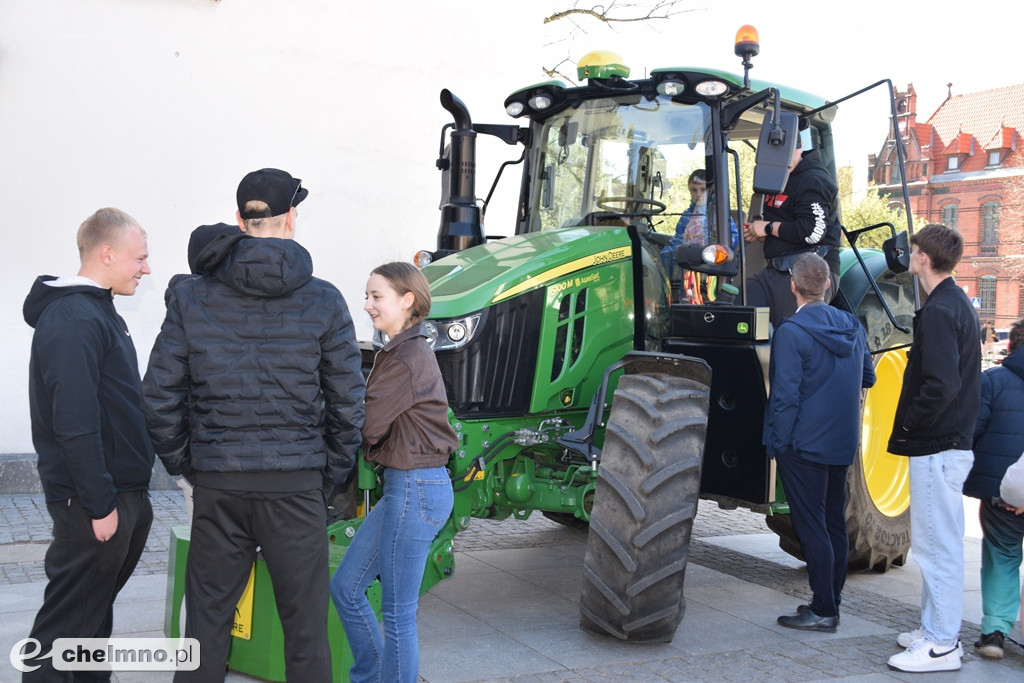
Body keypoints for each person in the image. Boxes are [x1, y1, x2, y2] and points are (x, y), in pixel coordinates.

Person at [142, 169, 365, 682]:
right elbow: (348, 402)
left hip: (220, 486)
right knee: (306, 631)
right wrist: (326, 476)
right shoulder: (325, 299)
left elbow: (158, 396)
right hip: (296, 489)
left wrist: (189, 468)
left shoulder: (192, 297)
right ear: (291, 219)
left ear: (241, 218)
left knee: (205, 629)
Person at [22, 207, 155, 681]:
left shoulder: (96, 310)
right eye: (139, 258)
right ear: (106, 253)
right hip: (93, 502)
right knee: (63, 633)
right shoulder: (74, 318)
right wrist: (100, 504)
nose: (146, 268)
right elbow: (73, 421)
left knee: (92, 622)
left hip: (120, 492)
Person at [330, 262, 457, 683]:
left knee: (399, 616)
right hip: (408, 488)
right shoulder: (400, 350)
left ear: (408, 300)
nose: (366, 305)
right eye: (366, 296)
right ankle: (369, 676)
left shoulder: (405, 357)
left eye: (376, 296)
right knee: (346, 589)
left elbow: (368, 426)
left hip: (416, 488)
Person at [885, 224, 981, 673]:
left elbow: (941, 384)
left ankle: (942, 643)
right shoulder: (953, 303)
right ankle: (933, 629)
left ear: (923, 257)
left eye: (914, 249)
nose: (910, 253)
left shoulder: (942, 310)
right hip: (945, 444)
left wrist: (909, 421)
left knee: (936, 547)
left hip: (937, 445)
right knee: (936, 543)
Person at [764, 253, 875, 633]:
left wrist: (777, 443)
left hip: (804, 446)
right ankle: (831, 599)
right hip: (841, 442)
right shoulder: (851, 325)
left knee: (812, 527)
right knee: (833, 524)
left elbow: (785, 396)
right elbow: (869, 377)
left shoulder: (791, 332)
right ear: (827, 284)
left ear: (792, 285)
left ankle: (824, 609)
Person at [963, 317, 1024, 658]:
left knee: (1001, 556)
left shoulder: (993, 381)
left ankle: (995, 634)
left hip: (1003, 491)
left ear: (1011, 346)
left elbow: (973, 433)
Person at [743, 135, 841, 327]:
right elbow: (786, 227)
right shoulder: (777, 178)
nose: (784, 160)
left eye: (788, 153)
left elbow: (812, 232)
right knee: (737, 310)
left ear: (801, 146)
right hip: (775, 269)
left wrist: (768, 227)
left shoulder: (814, 180)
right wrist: (760, 233)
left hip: (810, 270)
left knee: (792, 332)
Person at [660, 169, 739, 304]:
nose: (698, 194)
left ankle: (687, 298)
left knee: (691, 259)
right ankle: (663, 297)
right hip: (689, 252)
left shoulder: (719, 215)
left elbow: (732, 238)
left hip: (709, 256)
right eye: (694, 190)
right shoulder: (687, 216)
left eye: (702, 190)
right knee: (665, 255)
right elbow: (677, 239)